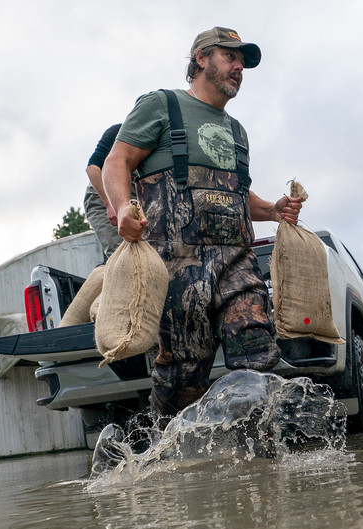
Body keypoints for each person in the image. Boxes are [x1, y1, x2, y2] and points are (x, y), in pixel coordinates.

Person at [100, 26, 302, 416]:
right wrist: (123, 207)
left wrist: (273, 212)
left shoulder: (237, 131)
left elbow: (236, 195)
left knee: (257, 349)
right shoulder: (161, 105)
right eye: (231, 56)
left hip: (236, 262)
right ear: (201, 58)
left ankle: (268, 455)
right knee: (183, 376)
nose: (239, 67)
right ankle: (161, 461)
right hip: (177, 265)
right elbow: (116, 161)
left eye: (243, 61)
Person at [84, 123, 122, 261]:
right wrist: (110, 204)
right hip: (102, 198)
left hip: (131, 197)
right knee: (121, 255)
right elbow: (92, 169)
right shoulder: (117, 132)